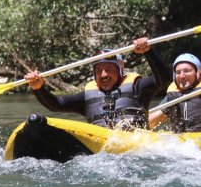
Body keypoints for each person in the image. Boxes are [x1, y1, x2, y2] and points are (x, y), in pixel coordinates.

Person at [24, 37, 170, 129]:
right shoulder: (87, 96)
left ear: (120, 69)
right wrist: (39, 88)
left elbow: (165, 80)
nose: (104, 74)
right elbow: (56, 104)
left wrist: (148, 52)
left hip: (136, 146)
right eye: (99, 70)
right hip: (102, 150)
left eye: (109, 69)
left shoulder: (138, 87)